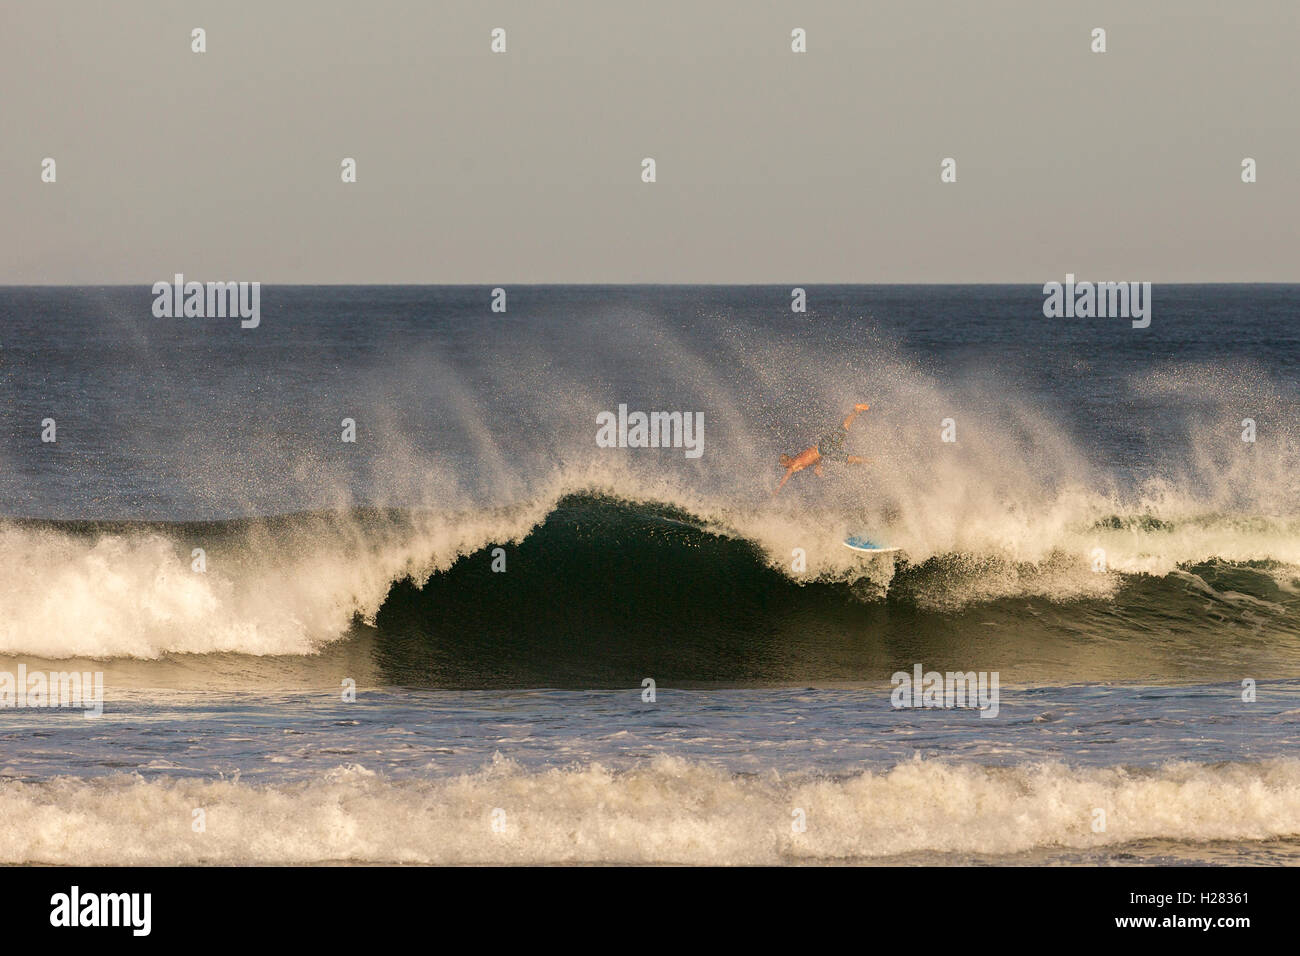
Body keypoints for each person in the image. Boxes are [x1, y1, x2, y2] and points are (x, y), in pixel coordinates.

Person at [774, 404, 870, 495]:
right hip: (822, 444)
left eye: (783, 465)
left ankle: (873, 461)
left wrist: (777, 490)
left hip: (825, 450)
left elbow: (785, 478)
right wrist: (818, 466)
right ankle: (856, 410)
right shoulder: (798, 456)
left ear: (787, 462)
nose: (784, 467)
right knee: (842, 429)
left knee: (849, 459)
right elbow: (813, 456)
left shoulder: (793, 466)